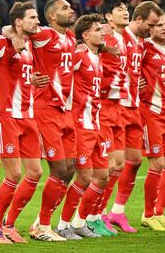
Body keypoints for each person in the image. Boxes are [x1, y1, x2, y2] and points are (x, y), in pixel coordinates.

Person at [99, 0, 163, 233]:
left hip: (134, 106)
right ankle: (99, 213)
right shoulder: (113, 34)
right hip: (115, 106)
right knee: (111, 165)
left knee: (134, 161)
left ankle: (117, 211)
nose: (153, 29)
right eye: (151, 25)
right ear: (139, 20)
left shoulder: (142, 42)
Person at [0, 2, 43, 243]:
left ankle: (9, 225)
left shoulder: (30, 45)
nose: (37, 22)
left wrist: (33, 80)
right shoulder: (2, 43)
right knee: (14, 173)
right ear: (19, 21)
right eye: (32, 17)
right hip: (6, 115)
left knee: (35, 172)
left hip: (28, 116)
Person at [26, 0, 79, 241]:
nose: (71, 10)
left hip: (65, 110)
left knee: (69, 169)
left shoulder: (70, 37)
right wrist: (30, 76)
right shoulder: (44, 34)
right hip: (46, 108)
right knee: (58, 169)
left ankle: (41, 221)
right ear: (52, 17)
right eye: (65, 8)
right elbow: (13, 31)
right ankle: (43, 226)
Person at [57, 13, 109, 239]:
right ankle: (62, 225)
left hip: (97, 124)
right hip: (80, 126)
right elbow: (59, 73)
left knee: (103, 176)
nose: (102, 33)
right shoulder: (79, 55)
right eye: (97, 30)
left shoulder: (99, 58)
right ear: (85, 35)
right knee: (84, 177)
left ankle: (79, 223)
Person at [139, 14, 165, 232]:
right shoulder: (144, 48)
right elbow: (129, 65)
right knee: (156, 164)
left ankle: (159, 212)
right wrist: (135, 82)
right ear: (150, 29)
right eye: (158, 25)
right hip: (151, 113)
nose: (164, 28)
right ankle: (148, 214)